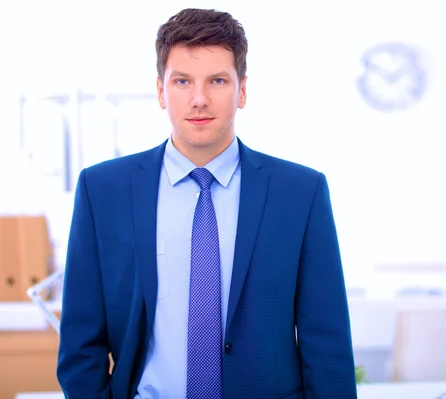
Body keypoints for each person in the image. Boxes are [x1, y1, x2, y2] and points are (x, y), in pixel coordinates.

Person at [57, 7, 357, 399]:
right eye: (182, 81)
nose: (199, 99)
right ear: (161, 91)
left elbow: (327, 341)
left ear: (242, 90)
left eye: (217, 80)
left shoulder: (300, 192)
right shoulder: (102, 189)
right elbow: (81, 340)